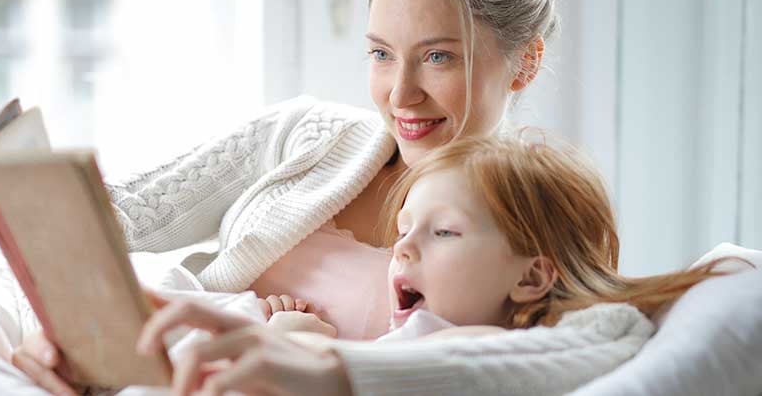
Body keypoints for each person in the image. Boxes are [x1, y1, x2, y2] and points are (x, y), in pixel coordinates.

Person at [13, 0, 567, 395]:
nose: (400, 94)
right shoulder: (309, 133)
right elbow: (113, 224)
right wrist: (62, 329)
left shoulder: (533, 227)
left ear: (526, 62)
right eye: (380, 54)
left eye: (439, 57)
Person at [135, 134, 733, 395]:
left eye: (443, 231)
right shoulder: (412, 332)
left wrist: (314, 358)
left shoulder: (490, 342)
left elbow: (592, 342)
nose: (404, 247)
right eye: (404, 230)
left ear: (531, 276)